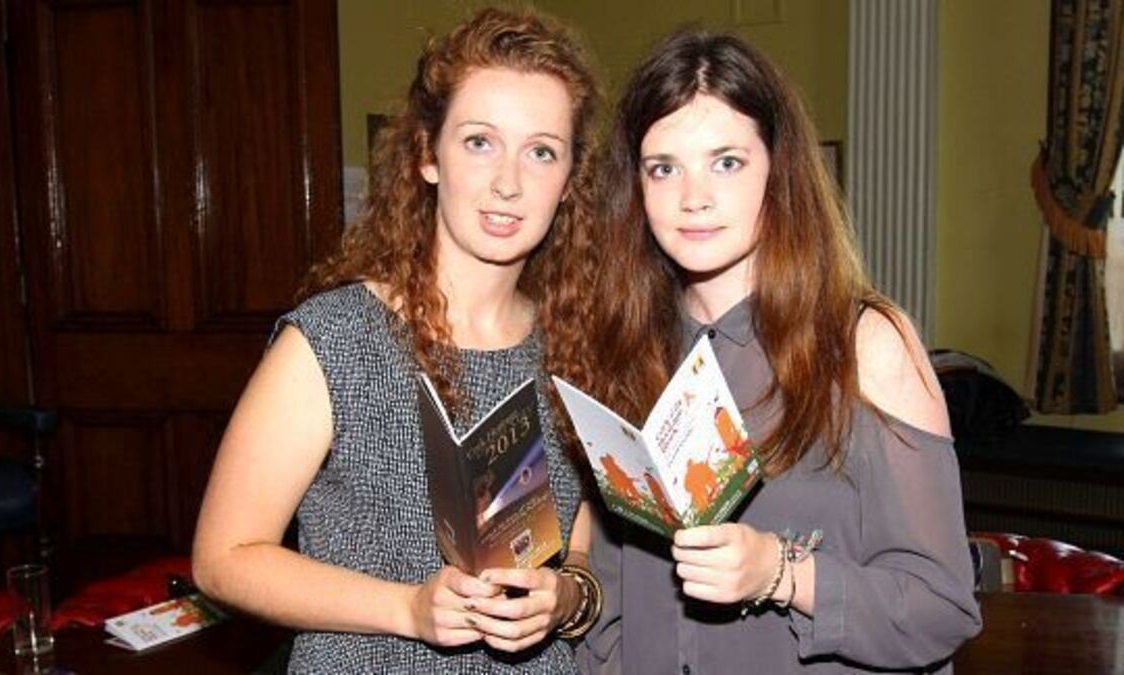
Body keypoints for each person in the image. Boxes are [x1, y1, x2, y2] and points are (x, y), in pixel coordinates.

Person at [191, 8, 604, 672]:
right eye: (479, 142)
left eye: (541, 151)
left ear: (569, 180)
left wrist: (565, 599)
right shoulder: (335, 339)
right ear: (426, 155)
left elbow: (581, 550)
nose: (509, 182)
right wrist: (407, 608)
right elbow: (223, 558)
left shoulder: (579, 345)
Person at [579, 30, 982, 674]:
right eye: (664, 168)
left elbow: (942, 609)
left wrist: (782, 572)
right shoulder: (626, 351)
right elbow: (615, 596)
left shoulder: (865, 345)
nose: (693, 197)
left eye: (726, 162)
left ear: (779, 170)